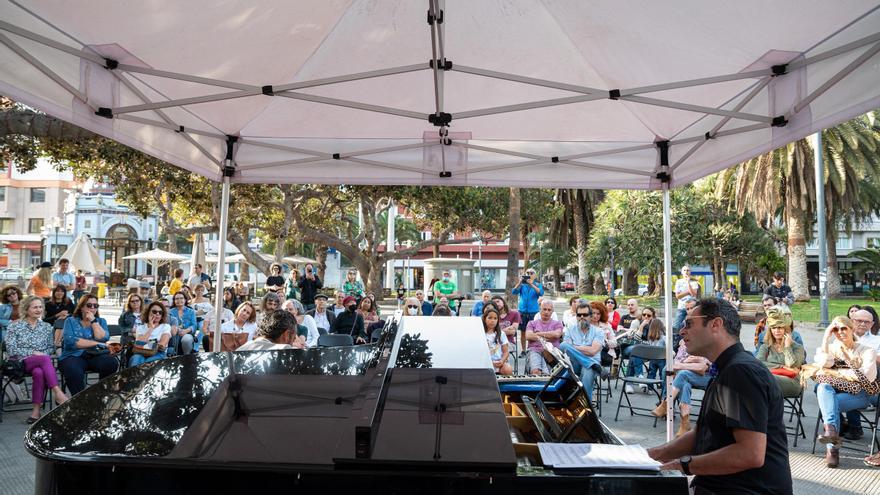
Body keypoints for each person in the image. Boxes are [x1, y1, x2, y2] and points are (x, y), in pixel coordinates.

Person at [648, 298, 792, 495]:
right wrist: (652, 456)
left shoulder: (740, 371)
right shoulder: (726, 368)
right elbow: (703, 433)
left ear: (716, 324)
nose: (682, 331)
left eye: (689, 324)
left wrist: (684, 465)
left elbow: (750, 453)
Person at [811, 316, 877, 468]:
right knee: (823, 388)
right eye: (835, 329)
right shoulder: (834, 348)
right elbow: (821, 364)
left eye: (843, 328)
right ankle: (832, 441)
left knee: (827, 403)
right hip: (834, 393)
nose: (839, 332)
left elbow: (866, 376)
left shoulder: (867, 351)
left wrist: (835, 371)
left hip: (860, 394)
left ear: (851, 329)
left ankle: (832, 449)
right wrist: (826, 338)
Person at [5, 296, 69, 422]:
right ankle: (58, 393)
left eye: (40, 307)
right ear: (26, 309)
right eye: (35, 307)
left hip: (41, 365)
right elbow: (11, 349)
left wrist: (41, 354)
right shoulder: (15, 326)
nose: (38, 309)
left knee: (39, 372)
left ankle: (36, 411)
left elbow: (51, 348)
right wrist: (33, 352)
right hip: (21, 363)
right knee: (45, 359)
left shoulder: (46, 327)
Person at [58, 295, 119, 396]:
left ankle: (102, 395)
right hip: (73, 355)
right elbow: (72, 342)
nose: (92, 308)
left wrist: (93, 321)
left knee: (111, 363)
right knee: (73, 369)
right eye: (89, 305)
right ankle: (80, 399)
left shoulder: (101, 321)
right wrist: (97, 343)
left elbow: (102, 338)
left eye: (96, 305)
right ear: (81, 307)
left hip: (95, 354)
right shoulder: (71, 321)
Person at [651, 339, 712, 437]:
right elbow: (675, 364)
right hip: (690, 376)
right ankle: (685, 422)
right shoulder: (685, 343)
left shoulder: (706, 343)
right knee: (684, 382)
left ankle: (666, 403)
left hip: (711, 378)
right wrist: (688, 363)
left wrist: (686, 364)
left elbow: (702, 369)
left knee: (683, 374)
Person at [559, 302, 605, 401]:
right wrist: (584, 348)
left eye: (585, 315)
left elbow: (592, 351)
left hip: (591, 362)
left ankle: (586, 405)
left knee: (588, 370)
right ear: (576, 316)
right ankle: (592, 364)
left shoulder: (599, 331)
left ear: (590, 316)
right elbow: (566, 349)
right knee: (563, 345)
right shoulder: (570, 330)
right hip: (574, 365)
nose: (582, 317)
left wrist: (573, 347)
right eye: (579, 315)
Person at [756, 308, 805, 398]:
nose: (776, 331)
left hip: (792, 381)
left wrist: (787, 347)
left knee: (764, 380)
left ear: (787, 329)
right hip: (770, 378)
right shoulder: (766, 346)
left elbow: (791, 365)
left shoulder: (798, 347)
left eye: (780, 327)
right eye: (773, 328)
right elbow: (758, 363)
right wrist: (782, 366)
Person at [525, 300, 564, 375]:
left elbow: (556, 335)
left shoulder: (558, 323)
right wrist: (549, 335)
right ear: (540, 310)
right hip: (534, 350)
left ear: (552, 311)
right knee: (536, 371)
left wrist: (538, 334)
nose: (546, 312)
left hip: (551, 353)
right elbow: (528, 336)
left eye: (549, 310)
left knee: (547, 374)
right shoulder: (532, 323)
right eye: (544, 309)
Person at [129, 301, 172, 367]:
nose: (157, 314)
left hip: (159, 353)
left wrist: (144, 344)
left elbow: (162, 345)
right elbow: (139, 343)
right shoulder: (140, 327)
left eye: (160, 312)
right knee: (136, 359)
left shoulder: (165, 326)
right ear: (148, 312)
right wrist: (151, 328)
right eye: (154, 311)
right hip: (141, 353)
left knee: (148, 363)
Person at [512, 268, 544, 356]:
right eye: (527, 273)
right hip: (522, 311)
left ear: (535, 275)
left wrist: (531, 284)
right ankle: (523, 350)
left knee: (534, 332)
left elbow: (540, 293)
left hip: (533, 312)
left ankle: (532, 349)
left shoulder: (538, 285)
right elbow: (514, 291)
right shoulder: (522, 286)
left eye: (531, 273)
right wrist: (519, 282)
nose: (529, 274)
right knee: (522, 332)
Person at [483, 307, 512, 375]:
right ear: (484, 319)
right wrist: (490, 362)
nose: (492, 320)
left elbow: (506, 352)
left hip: (499, 363)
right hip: (485, 363)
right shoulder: (481, 333)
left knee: (508, 369)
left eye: (495, 318)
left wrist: (502, 361)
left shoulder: (501, 334)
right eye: (490, 318)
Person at [673, 265, 700, 330]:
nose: (686, 272)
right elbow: (677, 296)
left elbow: (693, 294)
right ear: (682, 272)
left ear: (690, 272)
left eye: (688, 270)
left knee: (693, 325)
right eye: (684, 270)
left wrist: (688, 282)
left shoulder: (694, 282)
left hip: (692, 307)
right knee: (676, 326)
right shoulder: (679, 282)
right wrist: (688, 292)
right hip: (681, 307)